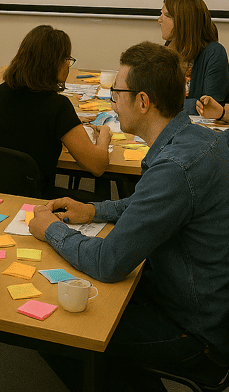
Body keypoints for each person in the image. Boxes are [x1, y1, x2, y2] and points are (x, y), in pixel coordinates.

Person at [29, 41, 229, 391]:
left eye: (116, 93)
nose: (111, 101)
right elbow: (148, 203)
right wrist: (93, 209)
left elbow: (109, 260)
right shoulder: (198, 139)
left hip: (197, 335)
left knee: (58, 325)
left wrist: (50, 230)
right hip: (202, 305)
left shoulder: (175, 169)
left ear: (142, 101)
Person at [0, 25, 111, 196]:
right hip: (37, 200)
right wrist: (104, 137)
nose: (68, 65)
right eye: (66, 59)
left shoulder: (1, 92)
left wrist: (70, 121)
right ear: (53, 63)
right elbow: (97, 166)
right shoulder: (57, 106)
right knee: (103, 201)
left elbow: (26, 125)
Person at [158, 0, 228, 114]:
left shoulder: (214, 53)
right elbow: (155, 98)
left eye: (166, 15)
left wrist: (166, 104)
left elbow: (210, 106)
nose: (159, 20)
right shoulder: (169, 48)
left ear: (183, 22)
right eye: (161, 14)